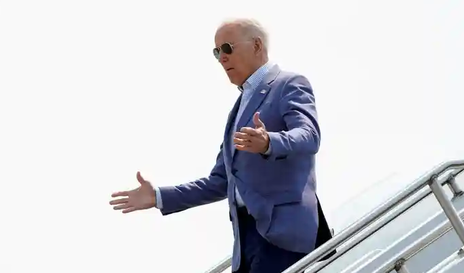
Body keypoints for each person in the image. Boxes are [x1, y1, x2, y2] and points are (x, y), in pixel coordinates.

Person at [109, 18, 335, 273]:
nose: (221, 58)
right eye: (216, 52)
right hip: (247, 241)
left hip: (282, 233)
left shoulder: (289, 84)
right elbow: (220, 181)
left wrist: (269, 142)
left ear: (257, 45)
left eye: (227, 48)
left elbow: (309, 135)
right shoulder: (237, 112)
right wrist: (159, 196)